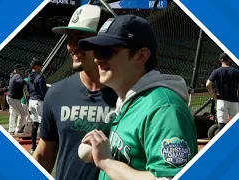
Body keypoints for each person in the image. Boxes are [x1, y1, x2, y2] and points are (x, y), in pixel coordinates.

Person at [78, 14, 198, 180]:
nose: (97, 59)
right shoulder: (129, 103)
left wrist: (107, 162)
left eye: (106, 51)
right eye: (96, 51)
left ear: (141, 56)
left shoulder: (164, 109)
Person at [32, 4, 117, 180]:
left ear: (104, 41)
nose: (71, 46)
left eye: (80, 38)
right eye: (69, 38)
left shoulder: (127, 95)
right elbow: (43, 155)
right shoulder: (56, 92)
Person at [206, 52, 239, 132]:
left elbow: (208, 84)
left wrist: (213, 94)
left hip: (221, 100)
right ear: (229, 60)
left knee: (221, 125)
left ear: (220, 60)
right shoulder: (236, 71)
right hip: (234, 101)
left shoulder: (216, 71)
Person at [27, 58, 48, 153]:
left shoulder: (28, 77)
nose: (41, 68)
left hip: (31, 101)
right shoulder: (40, 77)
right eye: (40, 66)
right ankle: (44, 147)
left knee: (35, 124)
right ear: (36, 66)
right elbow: (44, 91)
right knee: (44, 124)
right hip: (39, 101)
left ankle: (33, 147)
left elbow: (28, 89)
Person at [7, 64, 27, 135]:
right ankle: (18, 129)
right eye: (21, 69)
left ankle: (11, 130)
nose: (22, 71)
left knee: (13, 113)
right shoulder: (17, 75)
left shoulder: (13, 75)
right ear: (17, 70)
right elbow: (22, 82)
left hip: (11, 97)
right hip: (13, 98)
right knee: (22, 113)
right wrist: (29, 82)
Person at [20, 69, 33, 136]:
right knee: (28, 116)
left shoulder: (24, 80)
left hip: (23, 100)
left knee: (24, 116)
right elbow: (27, 92)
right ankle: (24, 129)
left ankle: (21, 128)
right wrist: (28, 100)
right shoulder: (27, 80)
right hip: (26, 100)